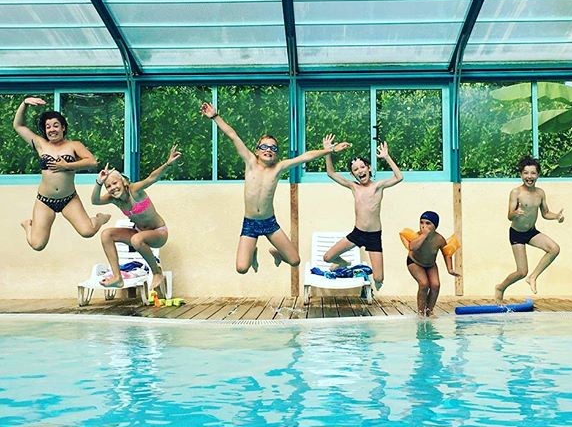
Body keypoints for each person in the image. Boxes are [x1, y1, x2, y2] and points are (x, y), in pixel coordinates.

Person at [200, 103, 350, 273]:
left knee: (294, 261)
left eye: (273, 148)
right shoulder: (250, 162)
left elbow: (305, 157)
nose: (269, 150)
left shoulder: (278, 167)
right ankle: (253, 251)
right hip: (250, 223)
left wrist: (329, 151)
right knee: (242, 268)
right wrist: (214, 116)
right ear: (257, 150)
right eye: (264, 147)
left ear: (276, 153)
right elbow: (233, 135)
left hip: (269, 222)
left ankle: (277, 253)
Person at [12, 96, 110, 250]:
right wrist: (24, 103)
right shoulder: (40, 144)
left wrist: (67, 165)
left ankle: (100, 218)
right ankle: (28, 225)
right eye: (48, 127)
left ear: (63, 127)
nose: (52, 129)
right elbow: (18, 126)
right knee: (37, 245)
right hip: (45, 200)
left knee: (88, 231)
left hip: (69, 199)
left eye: (56, 125)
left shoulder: (73, 145)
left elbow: (92, 162)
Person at [91, 146, 181, 294]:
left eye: (115, 183)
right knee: (106, 234)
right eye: (108, 186)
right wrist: (98, 182)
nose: (113, 188)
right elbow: (94, 200)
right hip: (139, 233)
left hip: (158, 233)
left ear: (123, 182)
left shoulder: (134, 191)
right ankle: (117, 277)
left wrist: (168, 164)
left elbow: (152, 178)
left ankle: (156, 272)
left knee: (136, 240)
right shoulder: (114, 199)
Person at [323, 141, 403, 291]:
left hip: (373, 236)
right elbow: (331, 173)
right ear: (352, 174)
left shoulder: (378, 186)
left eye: (362, 167)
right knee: (327, 257)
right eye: (355, 169)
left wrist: (386, 157)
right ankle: (344, 263)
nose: (359, 171)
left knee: (379, 279)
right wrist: (328, 152)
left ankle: (371, 285)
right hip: (357, 233)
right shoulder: (354, 187)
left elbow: (399, 177)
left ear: (369, 168)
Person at [495, 155, 564, 303]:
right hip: (517, 234)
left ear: (538, 175)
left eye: (533, 173)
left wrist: (556, 216)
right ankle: (500, 287)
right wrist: (515, 213)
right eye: (526, 173)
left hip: (531, 232)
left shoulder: (540, 193)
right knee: (521, 271)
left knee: (554, 249)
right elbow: (509, 216)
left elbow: (545, 213)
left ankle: (533, 277)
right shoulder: (516, 192)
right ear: (521, 175)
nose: (529, 176)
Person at [402, 211, 460, 317]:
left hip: (430, 264)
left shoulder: (439, 239)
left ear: (435, 226)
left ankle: (429, 310)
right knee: (424, 284)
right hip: (414, 262)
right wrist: (424, 236)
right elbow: (412, 247)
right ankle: (420, 312)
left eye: (428, 223)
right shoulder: (417, 236)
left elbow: (447, 253)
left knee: (435, 285)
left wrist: (449, 269)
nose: (424, 226)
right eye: (422, 223)